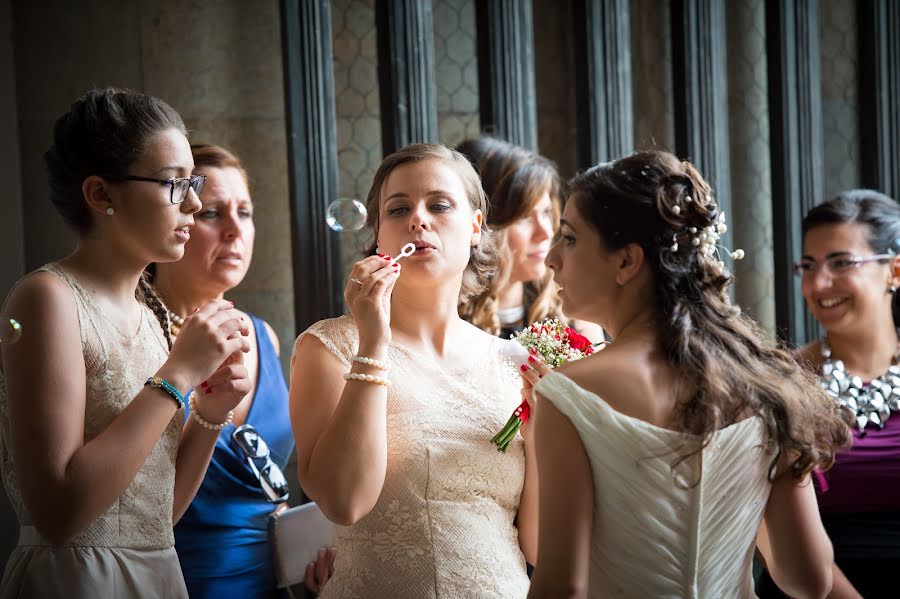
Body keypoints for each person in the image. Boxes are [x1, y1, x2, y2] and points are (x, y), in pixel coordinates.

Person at [525, 150, 850, 597]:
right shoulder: (764, 386)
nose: (552, 259)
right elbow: (808, 579)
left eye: (570, 238)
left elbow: (561, 585)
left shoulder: (571, 393)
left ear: (626, 262)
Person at [0, 88, 252, 598]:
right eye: (174, 184)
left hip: (157, 575)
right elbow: (58, 513)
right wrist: (178, 375)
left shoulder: (151, 314)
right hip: (77, 581)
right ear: (101, 195)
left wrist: (208, 412)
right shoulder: (46, 298)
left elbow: (156, 515)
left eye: (193, 183)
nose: (195, 202)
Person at [289, 143, 536, 598]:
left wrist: (545, 432)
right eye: (398, 208)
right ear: (380, 236)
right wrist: (373, 343)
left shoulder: (515, 364)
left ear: (476, 227)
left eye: (439, 205)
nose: (418, 219)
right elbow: (344, 502)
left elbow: (537, 541)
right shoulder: (330, 346)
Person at [153, 143, 332, 597]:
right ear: (176, 219)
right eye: (212, 213)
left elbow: (267, 480)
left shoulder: (263, 336)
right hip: (175, 582)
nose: (236, 230)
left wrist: (303, 562)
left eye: (246, 212)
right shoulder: (139, 337)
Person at [757, 190, 900, 598]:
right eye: (808, 266)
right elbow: (763, 526)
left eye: (841, 263)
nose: (818, 284)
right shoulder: (778, 379)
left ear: (895, 271)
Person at [455, 137, 563, 337]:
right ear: (480, 226)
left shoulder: (568, 308)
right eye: (524, 219)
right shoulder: (447, 324)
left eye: (546, 212)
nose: (546, 232)